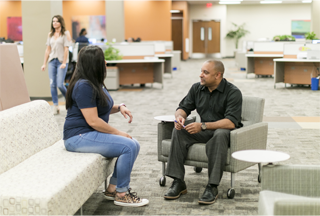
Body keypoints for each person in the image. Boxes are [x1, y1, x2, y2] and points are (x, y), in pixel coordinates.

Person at [63, 45, 149, 207]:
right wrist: (119, 133)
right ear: (94, 64)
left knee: (134, 144)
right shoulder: (83, 86)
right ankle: (122, 194)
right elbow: (93, 120)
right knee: (128, 146)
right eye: (102, 60)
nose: (105, 62)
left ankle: (112, 189)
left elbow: (101, 107)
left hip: (87, 133)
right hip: (77, 137)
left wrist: (120, 106)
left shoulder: (94, 82)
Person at [164, 60, 242, 205]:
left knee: (220, 134)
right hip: (204, 130)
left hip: (224, 133)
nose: (201, 75)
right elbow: (183, 107)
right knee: (179, 131)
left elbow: (231, 122)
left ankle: (212, 186)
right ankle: (178, 181)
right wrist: (179, 117)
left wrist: (203, 126)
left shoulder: (233, 92)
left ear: (218, 75)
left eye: (205, 72)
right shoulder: (197, 88)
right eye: (201, 71)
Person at [41, 15, 71, 114]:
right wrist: (44, 63)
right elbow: (47, 50)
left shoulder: (65, 33)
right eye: (53, 21)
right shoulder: (50, 34)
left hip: (61, 62)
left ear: (61, 23)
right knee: (52, 84)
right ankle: (55, 106)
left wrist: (64, 62)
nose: (54, 23)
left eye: (57, 21)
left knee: (60, 84)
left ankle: (70, 101)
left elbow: (66, 49)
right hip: (52, 61)